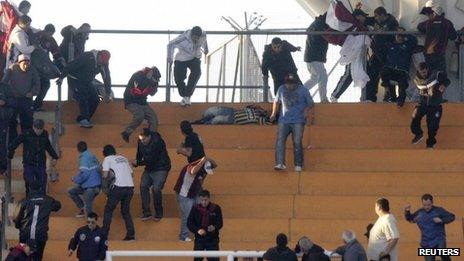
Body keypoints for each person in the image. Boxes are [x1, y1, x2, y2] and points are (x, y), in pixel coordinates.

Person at [270, 73, 314, 172]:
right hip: (284, 120)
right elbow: (276, 101)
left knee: (297, 142)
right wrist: (273, 114)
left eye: (292, 84)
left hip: (298, 120)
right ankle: (280, 163)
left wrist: (306, 111)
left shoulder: (303, 90)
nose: (290, 86)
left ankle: (298, 164)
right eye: (288, 84)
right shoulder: (281, 89)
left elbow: (311, 103)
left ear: (296, 83)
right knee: (280, 141)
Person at [58, 49, 111, 128]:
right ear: (99, 55)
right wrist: (61, 77)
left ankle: (84, 118)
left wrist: (108, 92)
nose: (101, 63)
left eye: (104, 62)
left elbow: (106, 77)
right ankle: (84, 120)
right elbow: (71, 65)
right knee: (83, 96)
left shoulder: (104, 64)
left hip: (87, 81)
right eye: (101, 61)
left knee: (95, 99)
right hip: (75, 79)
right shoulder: (87, 57)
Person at [8, 119, 59, 196]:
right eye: (37, 129)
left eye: (40, 129)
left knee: (42, 183)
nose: (38, 131)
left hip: (41, 163)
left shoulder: (44, 134)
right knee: (29, 182)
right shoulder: (26, 133)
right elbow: (15, 143)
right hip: (29, 163)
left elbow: (48, 146)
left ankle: (42, 201)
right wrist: (10, 154)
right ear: (33, 127)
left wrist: (54, 156)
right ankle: (29, 199)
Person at [14, 180, 61, 261]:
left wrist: (18, 226)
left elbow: (16, 218)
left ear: (29, 188)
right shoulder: (48, 200)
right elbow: (58, 206)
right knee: (38, 257)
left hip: (25, 234)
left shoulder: (24, 201)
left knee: (23, 257)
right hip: (40, 235)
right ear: (40, 188)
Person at [329, 9, 368, 103]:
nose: (364, 18)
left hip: (361, 55)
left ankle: (364, 98)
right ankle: (335, 95)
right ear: (358, 16)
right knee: (348, 75)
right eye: (363, 16)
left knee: (364, 74)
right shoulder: (352, 27)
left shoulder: (362, 27)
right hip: (352, 55)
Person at [174, 157, 217, 242]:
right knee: (188, 215)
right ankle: (183, 237)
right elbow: (193, 171)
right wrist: (203, 161)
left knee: (201, 212)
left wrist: (208, 159)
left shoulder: (202, 171)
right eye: (205, 171)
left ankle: (199, 234)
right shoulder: (191, 167)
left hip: (195, 193)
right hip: (184, 195)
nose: (205, 174)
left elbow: (215, 165)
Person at [132, 128, 171, 221]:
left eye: (144, 139)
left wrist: (137, 163)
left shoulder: (158, 142)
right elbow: (139, 153)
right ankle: (146, 212)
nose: (142, 141)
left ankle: (159, 212)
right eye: (141, 140)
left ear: (149, 137)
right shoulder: (141, 141)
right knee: (143, 186)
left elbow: (152, 159)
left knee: (156, 189)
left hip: (161, 167)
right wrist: (137, 160)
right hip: (149, 167)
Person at [410, 62, 450, 149]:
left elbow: (447, 80)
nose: (423, 74)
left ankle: (430, 143)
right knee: (414, 117)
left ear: (427, 69)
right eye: (421, 73)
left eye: (424, 72)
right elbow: (419, 91)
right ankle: (418, 134)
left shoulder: (436, 75)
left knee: (432, 125)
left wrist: (443, 85)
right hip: (423, 103)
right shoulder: (416, 79)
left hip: (435, 104)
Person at [404, 194, 455, 261]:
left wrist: (442, 220)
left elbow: (452, 217)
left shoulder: (439, 210)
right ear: (422, 203)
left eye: (429, 205)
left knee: (442, 252)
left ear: (432, 203)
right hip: (426, 242)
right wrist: (407, 211)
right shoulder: (420, 212)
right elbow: (410, 219)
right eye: (424, 205)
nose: (427, 207)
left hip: (439, 239)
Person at [363, 7, 399, 102]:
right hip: (377, 52)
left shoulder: (392, 23)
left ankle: (391, 96)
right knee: (372, 74)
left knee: (387, 75)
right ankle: (370, 98)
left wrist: (379, 32)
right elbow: (366, 19)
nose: (376, 18)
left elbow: (392, 36)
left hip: (387, 53)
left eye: (377, 16)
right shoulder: (376, 21)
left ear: (383, 15)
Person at [101, 144, 136, 241]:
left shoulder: (107, 159)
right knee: (126, 211)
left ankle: (104, 235)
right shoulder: (123, 158)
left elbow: (104, 175)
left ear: (105, 153)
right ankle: (131, 235)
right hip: (130, 187)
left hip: (117, 187)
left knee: (108, 210)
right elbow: (132, 174)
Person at [167, 26, 208, 106]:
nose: (195, 40)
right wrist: (170, 58)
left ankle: (187, 96)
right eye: (194, 38)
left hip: (194, 57)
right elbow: (170, 45)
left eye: (197, 38)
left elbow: (204, 42)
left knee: (197, 72)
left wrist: (206, 49)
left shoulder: (203, 37)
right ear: (191, 35)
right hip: (181, 58)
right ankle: (184, 95)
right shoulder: (183, 38)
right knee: (179, 78)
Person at [2, 53, 39, 141]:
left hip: (26, 100)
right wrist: (6, 96)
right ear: (19, 63)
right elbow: (3, 83)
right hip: (13, 99)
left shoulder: (32, 70)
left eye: (27, 63)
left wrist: (32, 92)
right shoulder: (12, 68)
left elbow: (37, 83)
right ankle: (13, 142)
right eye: (24, 63)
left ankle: (26, 141)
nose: (26, 65)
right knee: (11, 121)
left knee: (27, 122)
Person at [121, 66, 161, 143]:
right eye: (154, 78)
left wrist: (154, 87)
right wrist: (145, 91)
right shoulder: (138, 75)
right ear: (150, 73)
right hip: (131, 100)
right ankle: (126, 132)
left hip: (142, 101)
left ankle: (151, 137)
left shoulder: (153, 82)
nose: (154, 80)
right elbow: (134, 90)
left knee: (153, 118)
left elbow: (152, 94)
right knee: (139, 115)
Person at [380, 27, 417, 107]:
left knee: (402, 85)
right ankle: (390, 95)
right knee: (384, 71)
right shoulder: (390, 45)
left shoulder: (408, 45)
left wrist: (405, 33)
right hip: (392, 70)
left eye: (402, 35)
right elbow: (381, 44)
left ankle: (400, 103)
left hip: (402, 71)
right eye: (398, 35)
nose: (400, 37)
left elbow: (414, 40)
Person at [32, 23, 65, 111]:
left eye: (51, 35)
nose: (50, 36)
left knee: (46, 84)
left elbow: (56, 52)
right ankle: (28, 106)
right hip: (32, 66)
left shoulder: (51, 40)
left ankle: (36, 105)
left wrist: (60, 59)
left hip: (43, 67)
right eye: (49, 34)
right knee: (32, 85)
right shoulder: (36, 37)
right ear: (45, 31)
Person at [417, 5, 457, 73]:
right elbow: (453, 36)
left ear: (434, 13)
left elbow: (419, 27)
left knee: (429, 74)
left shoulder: (428, 22)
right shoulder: (447, 23)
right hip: (440, 53)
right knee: (440, 75)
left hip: (428, 53)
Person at [188, 190, 223, 261]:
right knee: (197, 259)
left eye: (206, 200)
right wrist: (198, 230)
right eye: (202, 200)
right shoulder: (195, 208)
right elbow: (189, 223)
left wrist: (214, 228)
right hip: (199, 239)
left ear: (209, 198)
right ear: (199, 199)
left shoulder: (216, 208)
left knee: (214, 259)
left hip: (212, 239)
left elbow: (220, 223)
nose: (204, 202)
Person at [68, 141, 101, 218]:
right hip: (97, 186)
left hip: (90, 188)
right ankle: (83, 209)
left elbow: (85, 174)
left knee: (88, 212)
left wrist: (75, 179)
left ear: (78, 150)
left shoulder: (83, 158)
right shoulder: (93, 156)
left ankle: (88, 220)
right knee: (71, 191)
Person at [304, 13, 329, 102]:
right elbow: (327, 36)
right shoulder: (320, 26)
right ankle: (323, 99)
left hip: (311, 57)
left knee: (314, 78)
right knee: (323, 76)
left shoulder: (317, 24)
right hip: (315, 57)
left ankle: (299, 93)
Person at [192, 105, 271, 125]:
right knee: (211, 110)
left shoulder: (259, 119)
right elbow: (248, 106)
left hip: (234, 120)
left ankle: (204, 124)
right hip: (232, 111)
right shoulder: (254, 109)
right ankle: (203, 120)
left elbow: (269, 122)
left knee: (217, 119)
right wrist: (258, 108)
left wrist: (271, 117)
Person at [0, 81, 13, 175]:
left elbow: (13, 102)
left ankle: (2, 167)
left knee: (2, 144)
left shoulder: (5, 87)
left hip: (2, 120)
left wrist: (4, 102)